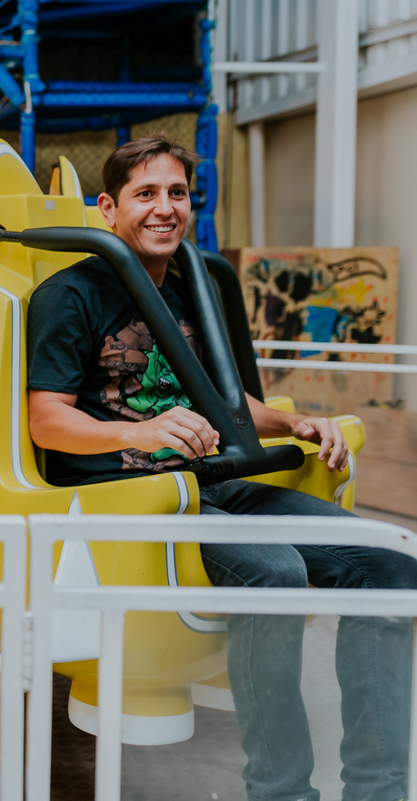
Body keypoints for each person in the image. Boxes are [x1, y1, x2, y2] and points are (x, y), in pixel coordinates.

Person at [26, 134, 417, 801]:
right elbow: (47, 419)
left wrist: (295, 420)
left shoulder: (189, 291)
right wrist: (144, 431)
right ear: (107, 207)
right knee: (275, 571)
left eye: (176, 192)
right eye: (145, 194)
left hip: (213, 482)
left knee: (387, 563)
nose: (163, 208)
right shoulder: (72, 294)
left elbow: (223, 401)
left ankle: (377, 789)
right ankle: (282, 789)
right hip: (131, 494)